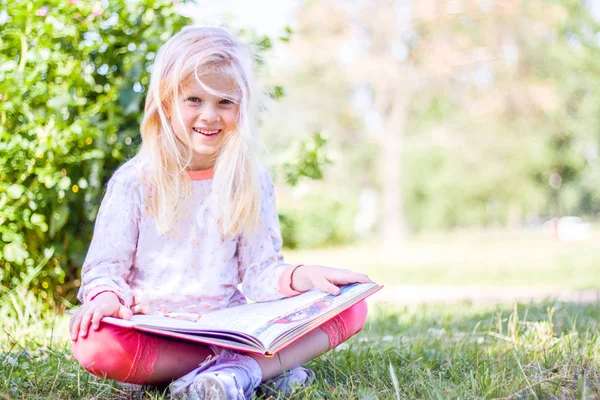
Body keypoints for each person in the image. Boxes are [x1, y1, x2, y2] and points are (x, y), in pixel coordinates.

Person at [69, 26, 372, 400]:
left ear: (241, 107)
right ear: (166, 103)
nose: (210, 116)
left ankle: (237, 371)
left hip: (230, 327)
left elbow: (260, 272)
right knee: (94, 343)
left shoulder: (249, 179)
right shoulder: (135, 181)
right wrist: (106, 298)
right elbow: (105, 270)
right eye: (194, 99)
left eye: (224, 102)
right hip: (156, 331)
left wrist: (303, 275)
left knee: (352, 307)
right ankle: (254, 370)